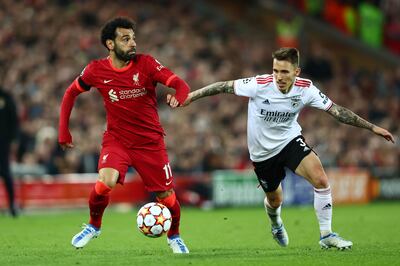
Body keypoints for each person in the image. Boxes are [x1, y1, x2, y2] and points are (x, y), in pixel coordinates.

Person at [170, 47, 395, 250]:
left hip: (289, 141)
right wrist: (191, 96)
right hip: (262, 153)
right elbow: (222, 86)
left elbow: (337, 111)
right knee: (275, 199)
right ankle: (276, 222)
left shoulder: (306, 89)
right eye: (276, 70)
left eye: (284, 72)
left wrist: (372, 127)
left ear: (296, 72)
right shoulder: (259, 85)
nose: (278, 76)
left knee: (321, 179)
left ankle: (326, 235)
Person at [58, 17, 190, 253]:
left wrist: (179, 96)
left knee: (167, 197)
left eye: (133, 38)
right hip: (117, 139)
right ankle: (93, 226)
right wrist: (63, 130)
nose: (132, 43)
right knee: (105, 182)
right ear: (110, 44)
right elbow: (70, 93)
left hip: (150, 142)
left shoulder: (146, 64)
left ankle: (174, 236)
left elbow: (180, 84)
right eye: (125, 39)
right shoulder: (96, 70)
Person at [0, 86, 19, 217]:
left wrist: (14, 140)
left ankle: (12, 204)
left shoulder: (6, 98)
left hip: (3, 142)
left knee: (5, 173)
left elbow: (14, 121)